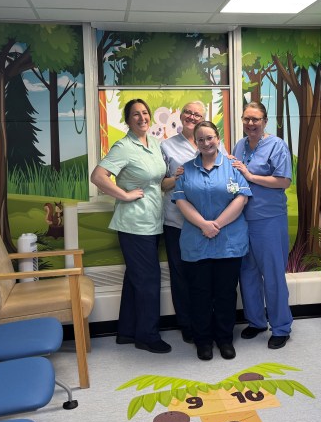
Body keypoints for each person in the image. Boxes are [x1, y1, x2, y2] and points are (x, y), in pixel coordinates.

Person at [90, 98, 170, 354]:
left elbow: (157, 181)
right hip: (135, 224)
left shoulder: (154, 143)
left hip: (152, 220)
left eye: (145, 113)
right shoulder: (124, 146)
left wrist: (176, 179)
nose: (142, 117)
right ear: (128, 120)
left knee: (136, 278)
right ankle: (147, 336)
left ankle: (126, 331)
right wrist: (123, 195)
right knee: (148, 279)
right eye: (135, 114)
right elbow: (98, 176)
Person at [172, 121, 251, 361]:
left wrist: (217, 224)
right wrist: (204, 225)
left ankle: (225, 339)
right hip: (197, 241)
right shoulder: (185, 169)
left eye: (210, 138)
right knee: (199, 294)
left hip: (229, 241)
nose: (206, 143)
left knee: (226, 293)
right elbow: (181, 201)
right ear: (195, 143)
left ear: (218, 138)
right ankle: (203, 341)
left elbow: (241, 198)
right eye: (201, 140)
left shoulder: (234, 167)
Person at [231, 101, 294, 349]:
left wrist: (250, 176)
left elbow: (284, 181)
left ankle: (280, 327)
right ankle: (256, 321)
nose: (250, 123)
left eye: (255, 119)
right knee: (247, 273)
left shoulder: (276, 145)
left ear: (265, 121)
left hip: (268, 220)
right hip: (242, 219)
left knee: (273, 275)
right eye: (247, 118)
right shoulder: (239, 145)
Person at [160, 101, 216, 344]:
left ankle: (207, 321)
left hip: (208, 223)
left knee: (206, 274)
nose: (192, 117)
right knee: (181, 275)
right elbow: (162, 184)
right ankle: (187, 323)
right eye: (188, 112)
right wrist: (178, 176)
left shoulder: (214, 143)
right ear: (180, 116)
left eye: (198, 114)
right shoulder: (167, 146)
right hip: (177, 223)